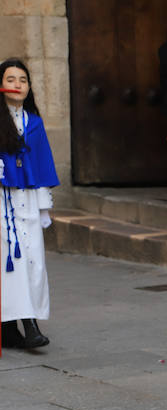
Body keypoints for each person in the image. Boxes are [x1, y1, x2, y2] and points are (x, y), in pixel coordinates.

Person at [1, 58, 58, 349]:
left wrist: (44, 205)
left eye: (22, 80)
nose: (17, 85)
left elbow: (42, 162)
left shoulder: (33, 123)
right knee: (9, 263)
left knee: (33, 260)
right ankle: (19, 325)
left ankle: (27, 320)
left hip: (28, 199)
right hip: (3, 201)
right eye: (11, 79)